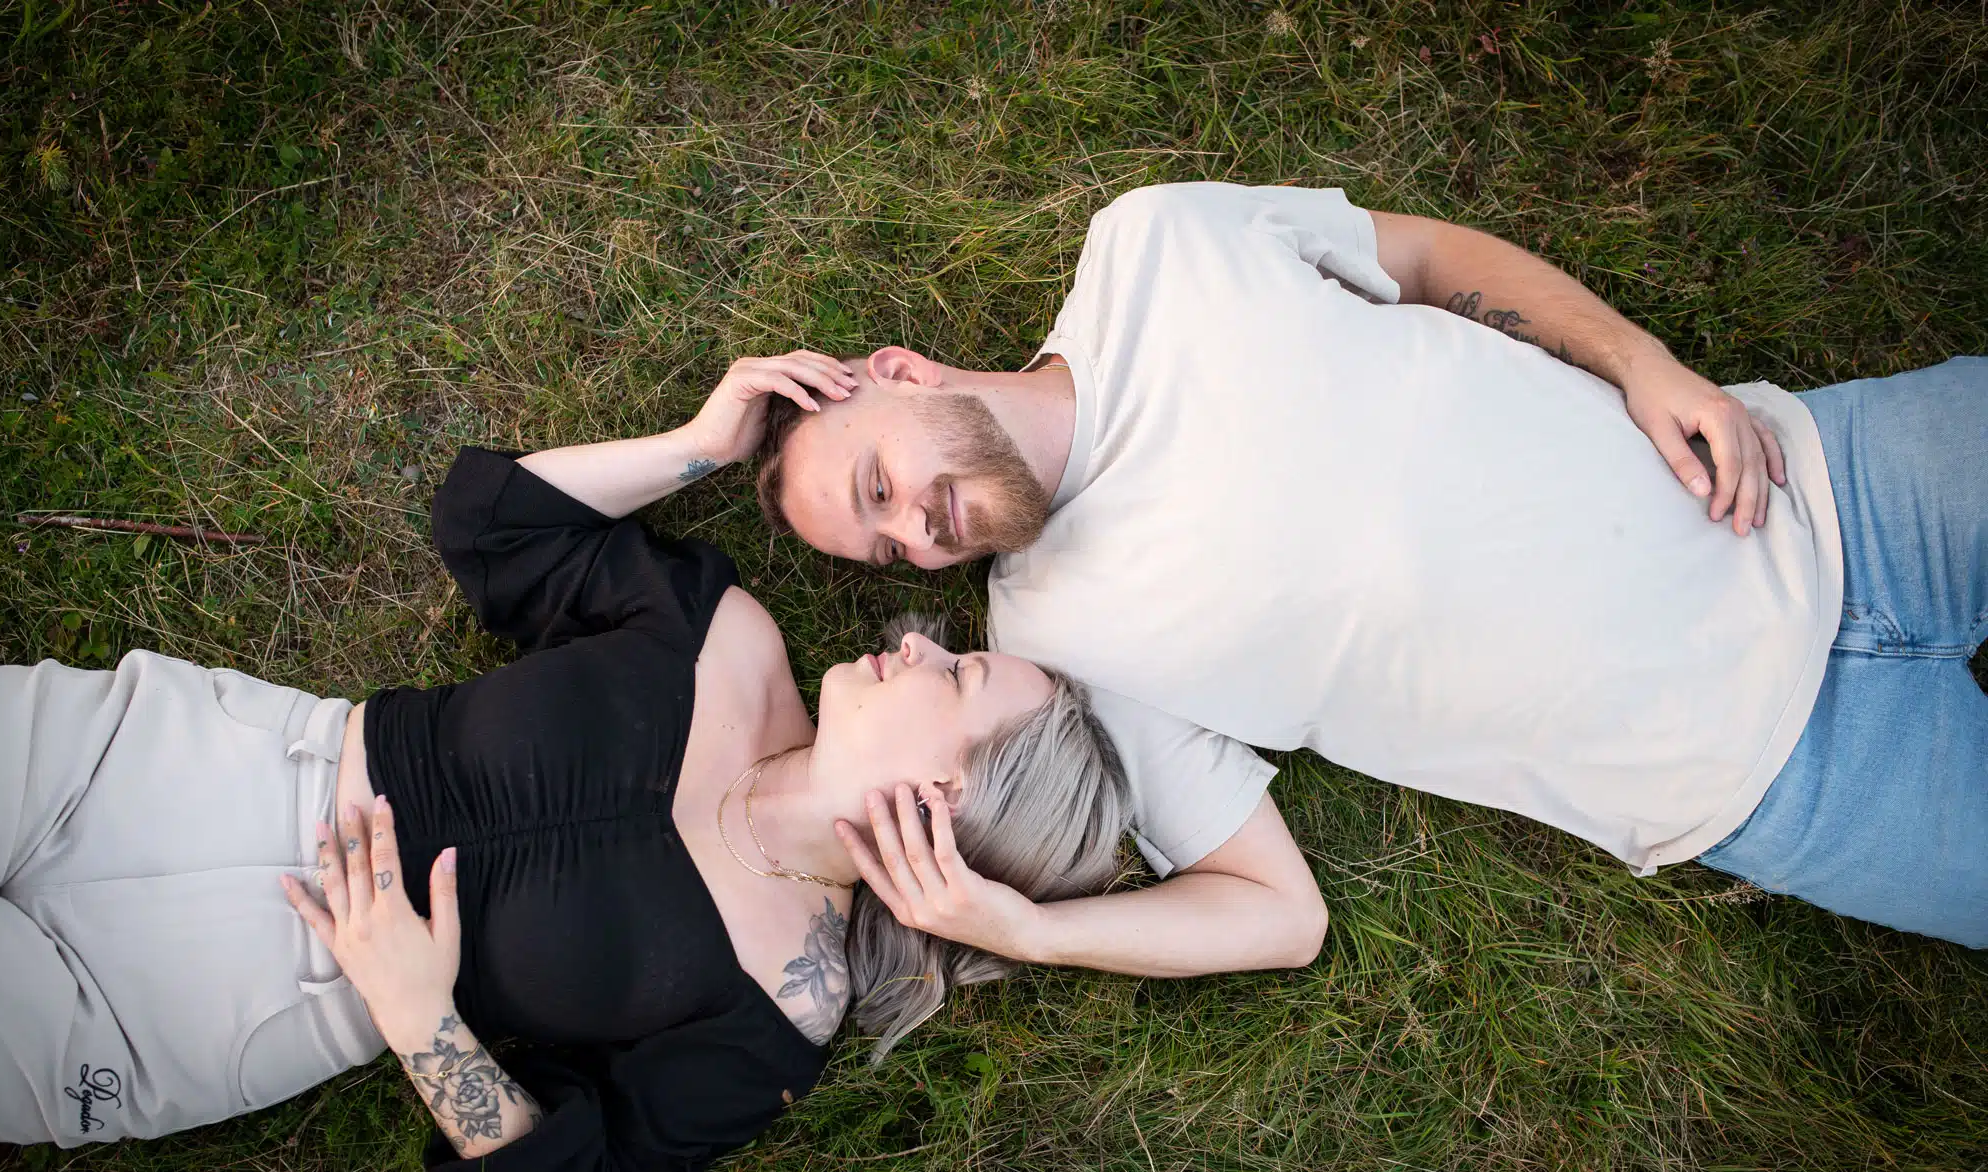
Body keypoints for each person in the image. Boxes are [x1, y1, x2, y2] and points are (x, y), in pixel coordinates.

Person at [0, 352, 1132, 1172]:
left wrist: (420, 1018)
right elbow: (497, 525)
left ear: (951, 792)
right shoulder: (726, 643)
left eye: (961, 673)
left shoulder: (782, 1006)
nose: (921, 643)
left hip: (234, 1000)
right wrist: (705, 445)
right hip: (203, 765)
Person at [734, 181, 1985, 951]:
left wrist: (1640, 359)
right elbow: (1275, 914)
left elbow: (1432, 263)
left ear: (896, 375)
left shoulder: (1152, 249)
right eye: (885, 545)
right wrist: (1022, 929)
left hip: (1832, 481)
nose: (914, 534)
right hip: (1774, 776)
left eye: (877, 486)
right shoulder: (1051, 648)